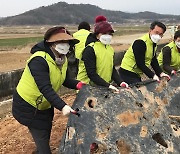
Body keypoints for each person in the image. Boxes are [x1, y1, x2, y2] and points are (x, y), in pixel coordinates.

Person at [12, 26, 85, 154]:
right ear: (51, 43)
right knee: (42, 140)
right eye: (61, 42)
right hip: (28, 106)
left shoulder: (62, 59)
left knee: (45, 133)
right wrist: (63, 106)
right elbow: (45, 88)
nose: (65, 45)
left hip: (45, 105)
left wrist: (78, 85)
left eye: (67, 43)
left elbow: (64, 80)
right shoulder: (39, 60)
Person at [76, 20, 129, 92]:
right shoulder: (90, 49)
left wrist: (120, 82)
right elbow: (91, 73)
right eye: (104, 33)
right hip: (88, 88)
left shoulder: (109, 49)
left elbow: (111, 69)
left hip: (103, 86)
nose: (107, 36)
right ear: (97, 35)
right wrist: (108, 85)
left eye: (109, 34)